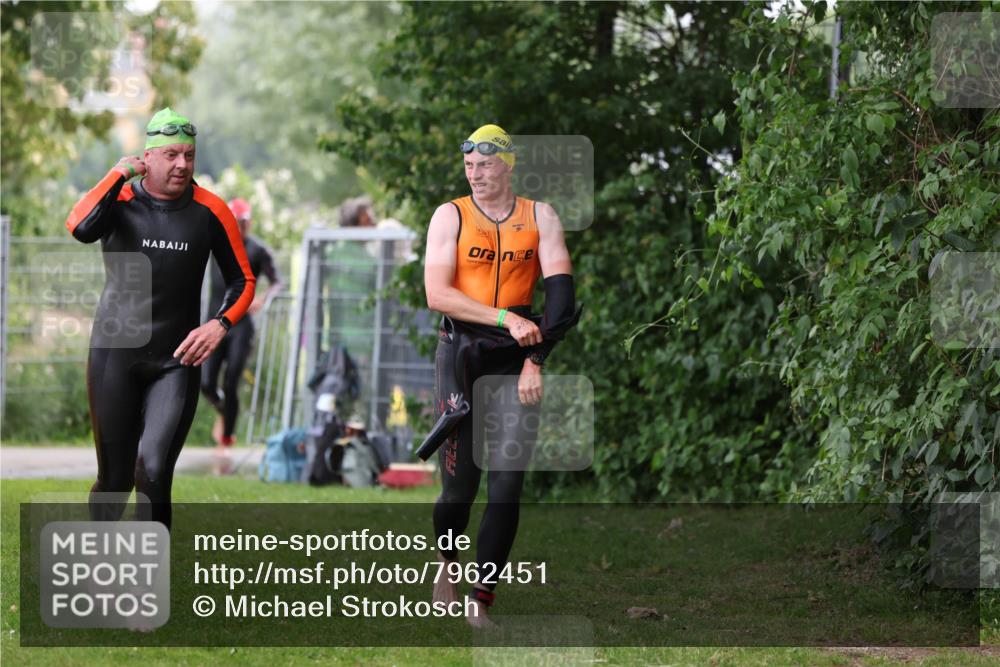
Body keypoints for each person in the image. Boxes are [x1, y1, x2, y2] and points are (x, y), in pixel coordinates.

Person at [65, 107, 256, 529]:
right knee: (114, 481)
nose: (182, 164)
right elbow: (79, 226)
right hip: (115, 355)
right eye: (170, 155)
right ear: (146, 158)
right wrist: (117, 175)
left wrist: (218, 324)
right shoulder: (121, 201)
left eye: (189, 155)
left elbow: (242, 281)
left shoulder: (210, 210)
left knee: (152, 472)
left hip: (176, 361)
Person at [423, 124, 576, 627]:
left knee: (507, 483)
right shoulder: (450, 216)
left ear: (509, 164)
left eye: (485, 165)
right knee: (459, 487)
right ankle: (447, 562)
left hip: (516, 358)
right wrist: (505, 318)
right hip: (461, 353)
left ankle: (479, 600)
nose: (475, 174)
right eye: (469, 166)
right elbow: (437, 295)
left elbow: (561, 300)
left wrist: (536, 360)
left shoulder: (540, 217)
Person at [200, 197, 283, 450]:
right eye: (236, 221)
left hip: (241, 324)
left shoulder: (258, 250)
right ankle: (225, 412)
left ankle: (227, 439)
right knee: (206, 383)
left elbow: (278, 282)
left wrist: (263, 298)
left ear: (250, 222)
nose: (240, 226)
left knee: (231, 380)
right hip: (213, 321)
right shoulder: (215, 244)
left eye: (244, 221)